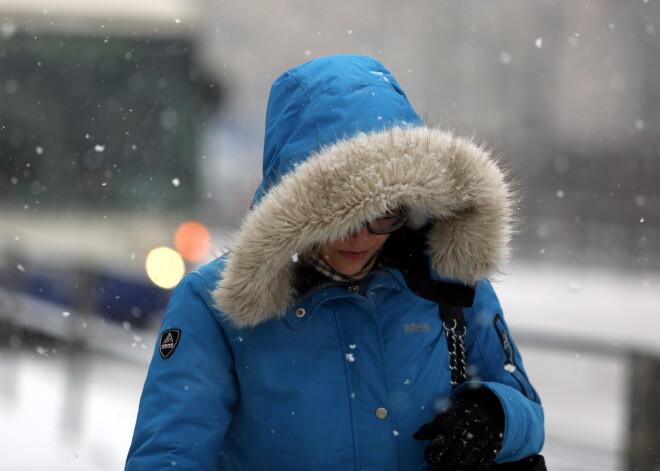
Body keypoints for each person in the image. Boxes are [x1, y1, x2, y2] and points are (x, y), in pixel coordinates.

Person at [126, 54, 545, 470]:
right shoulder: (213, 304)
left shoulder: (449, 277)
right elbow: (168, 456)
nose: (361, 236)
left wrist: (496, 415)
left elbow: (525, 407)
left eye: (383, 211)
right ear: (295, 207)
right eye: (337, 216)